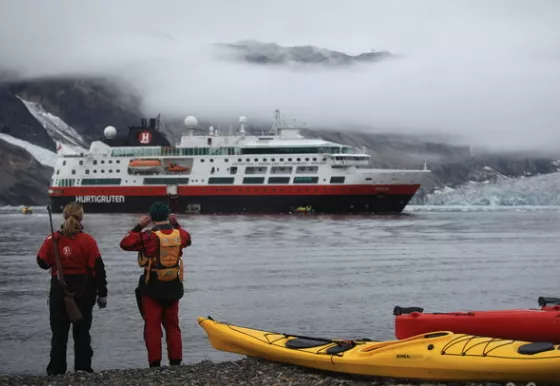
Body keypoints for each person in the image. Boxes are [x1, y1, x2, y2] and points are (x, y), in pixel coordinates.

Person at [37, 202, 108, 376]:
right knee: (82, 333)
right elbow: (98, 269)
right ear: (81, 217)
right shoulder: (88, 241)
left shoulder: (52, 239)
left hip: (59, 291)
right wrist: (103, 295)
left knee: (59, 334)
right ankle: (83, 368)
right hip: (84, 291)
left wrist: (57, 258)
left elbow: (42, 262)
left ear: (64, 216)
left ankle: (56, 370)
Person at [119, 201, 191, 368]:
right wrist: (176, 224)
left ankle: (155, 364)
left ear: (151, 219)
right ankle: (175, 362)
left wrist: (139, 226)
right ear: (168, 216)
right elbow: (188, 239)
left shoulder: (148, 237)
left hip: (152, 287)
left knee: (152, 327)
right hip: (173, 286)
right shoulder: (178, 235)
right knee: (173, 326)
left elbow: (125, 243)